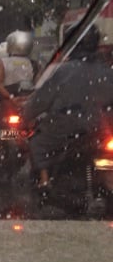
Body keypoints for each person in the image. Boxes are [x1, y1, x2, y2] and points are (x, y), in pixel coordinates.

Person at [23, 24, 113, 190]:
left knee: (37, 144)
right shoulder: (106, 71)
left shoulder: (62, 71)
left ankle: (44, 183)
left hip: (66, 129)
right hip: (100, 129)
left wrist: (26, 115)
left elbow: (39, 102)